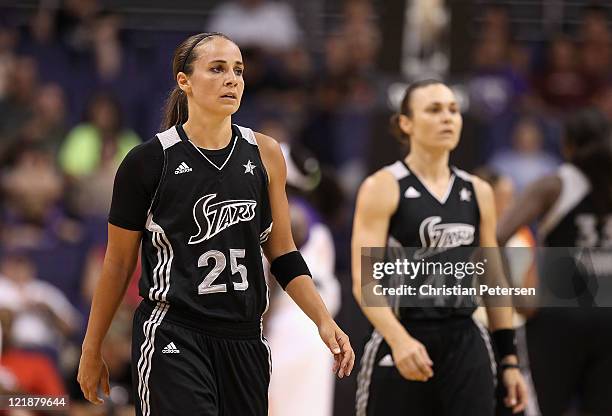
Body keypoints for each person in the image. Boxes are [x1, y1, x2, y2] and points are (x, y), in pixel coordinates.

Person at [76, 32, 354, 416]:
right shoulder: (148, 161)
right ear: (184, 81)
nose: (232, 79)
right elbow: (118, 264)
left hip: (244, 337)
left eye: (238, 70)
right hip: (174, 331)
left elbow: (284, 252)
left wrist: (324, 320)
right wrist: (92, 347)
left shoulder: (266, 153)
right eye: (218, 69)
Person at [351, 80, 528, 415]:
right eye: (434, 110)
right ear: (406, 123)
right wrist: (399, 340)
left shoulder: (478, 191)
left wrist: (509, 360)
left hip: (465, 336)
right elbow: (365, 283)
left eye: (453, 110)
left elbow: (493, 281)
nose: (447, 118)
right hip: (404, 331)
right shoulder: (383, 187)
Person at [498, 108, 612, 416]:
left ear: (568, 144)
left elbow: (497, 235)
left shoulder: (556, 184)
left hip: (559, 315)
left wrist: (518, 295)